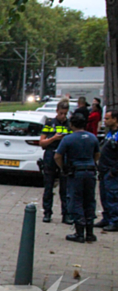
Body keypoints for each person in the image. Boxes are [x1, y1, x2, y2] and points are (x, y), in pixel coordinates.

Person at [55, 113, 100, 243]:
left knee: (76, 200)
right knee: (89, 200)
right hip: (90, 172)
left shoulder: (68, 139)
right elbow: (97, 154)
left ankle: (79, 233)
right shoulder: (93, 138)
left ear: (71, 125)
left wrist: (63, 168)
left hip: (76, 173)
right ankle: (90, 232)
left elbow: (57, 156)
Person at [40, 100, 72, 224]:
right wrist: (54, 138)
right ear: (57, 111)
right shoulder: (49, 124)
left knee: (65, 188)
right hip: (51, 155)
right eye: (61, 113)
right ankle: (47, 212)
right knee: (48, 186)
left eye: (65, 113)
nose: (63, 116)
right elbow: (41, 142)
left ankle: (66, 214)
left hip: (65, 157)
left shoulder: (70, 125)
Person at [96, 110, 118, 231]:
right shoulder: (110, 133)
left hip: (112, 171)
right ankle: (107, 218)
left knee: (113, 197)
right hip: (104, 170)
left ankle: (115, 221)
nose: (105, 121)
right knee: (104, 196)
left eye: (107, 119)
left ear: (115, 119)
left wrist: (114, 170)